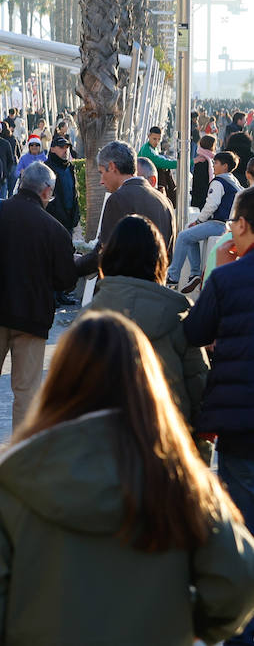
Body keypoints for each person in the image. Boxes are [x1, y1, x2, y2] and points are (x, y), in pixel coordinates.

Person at [0, 311, 254, 646]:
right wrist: (187, 622)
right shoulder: (182, 478)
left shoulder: (15, 477)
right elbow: (239, 578)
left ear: (61, 382)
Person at [0, 161, 79, 467]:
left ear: (20, 182)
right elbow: (65, 280)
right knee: (26, 394)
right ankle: (21, 463)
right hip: (31, 319)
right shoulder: (53, 228)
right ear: (46, 191)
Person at [186, 187, 254, 645]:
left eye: (232, 221)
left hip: (242, 427)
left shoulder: (229, 278)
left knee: (241, 533)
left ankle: (242, 631)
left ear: (244, 225)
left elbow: (194, 331)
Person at [89, 215, 209, 445]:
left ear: (109, 257)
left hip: (101, 454)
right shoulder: (181, 318)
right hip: (166, 448)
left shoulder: (87, 321)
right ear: (160, 260)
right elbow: (199, 393)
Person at [78, 141, 177, 275]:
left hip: (124, 289)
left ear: (112, 167)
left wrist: (70, 269)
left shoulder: (118, 199)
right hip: (155, 287)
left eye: (101, 172)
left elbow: (104, 253)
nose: (101, 181)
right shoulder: (165, 201)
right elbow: (169, 256)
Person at [169, 151, 242, 293]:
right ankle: (195, 274)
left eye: (216, 163)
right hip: (229, 226)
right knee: (191, 236)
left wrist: (198, 221)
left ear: (225, 166)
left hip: (218, 224)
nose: (213, 165)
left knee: (184, 235)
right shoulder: (234, 181)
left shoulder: (218, 181)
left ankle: (173, 276)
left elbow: (211, 205)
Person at [43, 135, 78, 234]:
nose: (65, 150)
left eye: (67, 147)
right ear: (52, 149)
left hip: (69, 218)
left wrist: (76, 214)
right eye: (61, 147)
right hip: (53, 219)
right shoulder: (46, 168)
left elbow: (73, 191)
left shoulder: (70, 167)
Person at [193, 134, 218, 212]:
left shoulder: (202, 157)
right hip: (202, 196)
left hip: (199, 195)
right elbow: (202, 181)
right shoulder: (203, 160)